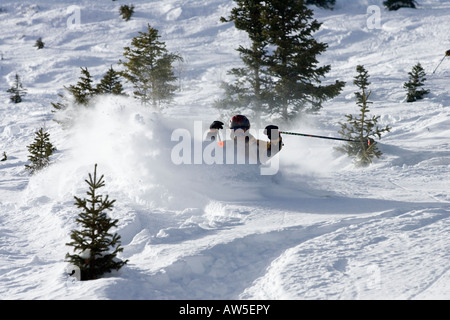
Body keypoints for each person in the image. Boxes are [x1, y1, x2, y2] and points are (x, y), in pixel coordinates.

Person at [208, 115, 283, 164]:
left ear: (247, 130)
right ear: (232, 131)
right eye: (236, 130)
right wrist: (212, 132)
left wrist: (274, 135)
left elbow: (274, 148)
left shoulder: (257, 145)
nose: (240, 134)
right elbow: (208, 148)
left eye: (243, 130)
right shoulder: (226, 144)